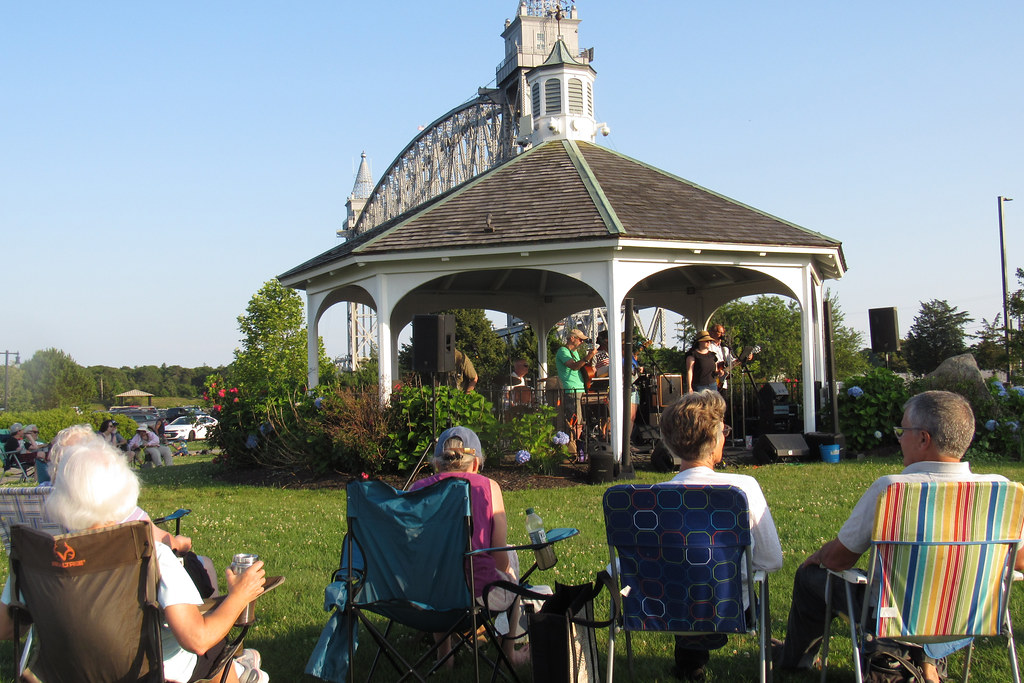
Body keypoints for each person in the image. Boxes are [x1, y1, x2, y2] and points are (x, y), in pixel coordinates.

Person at [775, 390, 1024, 683]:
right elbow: (1019, 560)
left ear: (923, 438)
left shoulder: (893, 490)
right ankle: (927, 658)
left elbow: (839, 560)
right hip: (971, 615)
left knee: (810, 577)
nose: (898, 439)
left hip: (895, 615)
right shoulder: (1003, 491)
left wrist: (819, 555)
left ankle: (794, 662)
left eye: (902, 431)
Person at [0, 440, 269, 683]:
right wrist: (239, 595)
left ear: (58, 497)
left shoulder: (34, 558)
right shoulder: (149, 554)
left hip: (62, 675)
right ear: (125, 490)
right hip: (144, 674)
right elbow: (197, 639)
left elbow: (5, 628)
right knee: (214, 647)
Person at [659, 390, 783, 681]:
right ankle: (768, 654)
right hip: (731, 607)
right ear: (715, 440)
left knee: (682, 572)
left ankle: (689, 663)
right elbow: (770, 560)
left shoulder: (649, 499)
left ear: (669, 443)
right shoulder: (742, 489)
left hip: (661, 607)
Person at [410, 426, 528, 667]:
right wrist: (508, 573)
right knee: (510, 559)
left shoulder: (417, 490)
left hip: (424, 600)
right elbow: (499, 555)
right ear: (475, 464)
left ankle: (445, 654)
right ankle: (509, 653)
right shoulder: (488, 488)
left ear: (437, 464)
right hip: (477, 595)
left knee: (439, 568)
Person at [555, 329, 596, 447]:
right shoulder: (563, 351)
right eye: (580, 339)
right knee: (575, 420)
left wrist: (589, 362)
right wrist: (587, 357)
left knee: (581, 420)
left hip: (580, 389)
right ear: (572, 338)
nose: (582, 342)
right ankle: (575, 446)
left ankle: (580, 444)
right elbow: (573, 366)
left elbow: (581, 367)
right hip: (571, 389)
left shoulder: (575, 353)